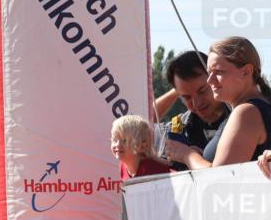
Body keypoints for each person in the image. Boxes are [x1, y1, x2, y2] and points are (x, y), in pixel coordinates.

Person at [167, 37, 271, 169]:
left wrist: (187, 155)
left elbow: (220, 177)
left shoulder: (246, 113)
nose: (210, 80)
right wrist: (199, 157)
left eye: (218, 72)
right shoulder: (253, 109)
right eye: (209, 72)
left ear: (246, 72)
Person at [155, 50, 230, 170]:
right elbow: (140, 122)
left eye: (202, 91)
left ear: (214, 79)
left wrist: (187, 155)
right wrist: (177, 89)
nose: (197, 103)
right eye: (187, 97)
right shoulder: (178, 127)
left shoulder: (242, 117)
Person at [111, 115, 171, 179]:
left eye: (125, 141)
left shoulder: (153, 170)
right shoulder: (123, 166)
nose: (117, 145)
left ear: (142, 146)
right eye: (115, 140)